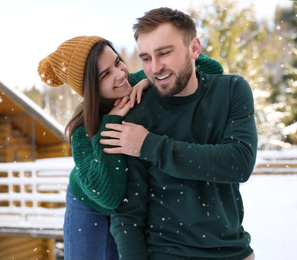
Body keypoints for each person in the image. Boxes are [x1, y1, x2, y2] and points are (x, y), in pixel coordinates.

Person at [38, 36, 223, 260]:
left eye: (117, 62)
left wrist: (151, 80)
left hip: (131, 207)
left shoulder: (138, 81)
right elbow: (108, 196)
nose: (119, 74)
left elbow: (213, 69)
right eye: (105, 75)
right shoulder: (83, 130)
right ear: (89, 89)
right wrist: (111, 122)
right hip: (89, 202)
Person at [100, 7, 257, 260]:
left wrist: (149, 145)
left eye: (164, 53)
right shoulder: (137, 114)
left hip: (234, 252)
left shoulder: (232, 91)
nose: (154, 67)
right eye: (146, 58)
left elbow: (239, 162)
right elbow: (128, 215)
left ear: (195, 48)